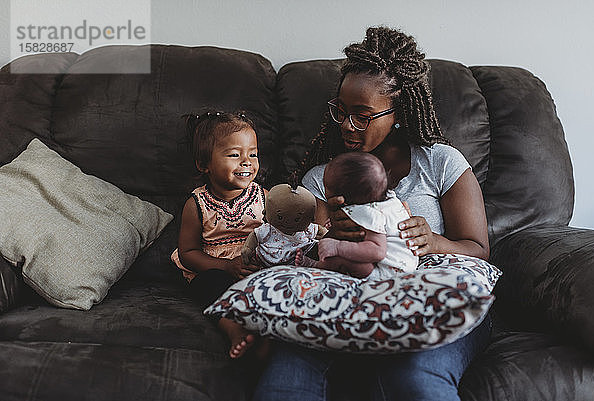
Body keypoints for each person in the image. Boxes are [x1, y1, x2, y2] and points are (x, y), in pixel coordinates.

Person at [253, 26, 490, 401]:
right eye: (342, 112)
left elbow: (478, 249)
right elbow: (313, 253)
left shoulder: (440, 163)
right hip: (345, 303)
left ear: (398, 112)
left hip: (434, 299)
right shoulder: (323, 179)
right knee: (286, 380)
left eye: (362, 116)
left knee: (414, 379)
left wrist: (433, 241)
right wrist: (334, 236)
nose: (347, 125)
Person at [171, 111, 265, 359]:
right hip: (214, 269)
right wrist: (225, 267)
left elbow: (285, 224)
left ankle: (267, 325)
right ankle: (233, 330)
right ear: (205, 165)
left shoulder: (264, 196)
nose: (246, 162)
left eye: (252, 154)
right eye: (235, 155)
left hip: (253, 266)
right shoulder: (197, 204)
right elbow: (188, 253)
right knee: (209, 285)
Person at [295, 151, 418, 280]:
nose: (325, 191)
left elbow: (377, 252)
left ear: (344, 198)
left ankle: (315, 266)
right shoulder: (390, 200)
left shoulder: (371, 214)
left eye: (327, 187)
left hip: (389, 273)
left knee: (343, 259)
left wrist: (337, 247)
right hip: (405, 265)